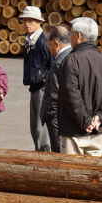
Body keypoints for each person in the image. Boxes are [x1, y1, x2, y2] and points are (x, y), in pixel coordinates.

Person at [58, 17, 102, 157]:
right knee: (93, 177)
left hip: (73, 133)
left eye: (71, 34)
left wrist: (86, 121)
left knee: (73, 176)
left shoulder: (71, 60)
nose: (70, 37)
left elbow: (70, 95)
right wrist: (99, 118)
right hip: (97, 133)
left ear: (79, 36)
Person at [20, 6, 51, 151]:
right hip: (34, 86)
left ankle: (43, 152)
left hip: (42, 88)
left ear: (39, 22)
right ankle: (38, 150)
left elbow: (52, 64)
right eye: (25, 20)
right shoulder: (29, 40)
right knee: (34, 125)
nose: (27, 24)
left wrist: (44, 80)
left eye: (31, 21)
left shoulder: (43, 41)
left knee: (40, 126)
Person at [40, 25, 72, 153]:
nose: (49, 49)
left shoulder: (60, 61)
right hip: (63, 116)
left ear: (56, 43)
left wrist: (50, 116)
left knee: (58, 151)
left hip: (57, 118)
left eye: (49, 45)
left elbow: (54, 93)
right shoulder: (72, 56)